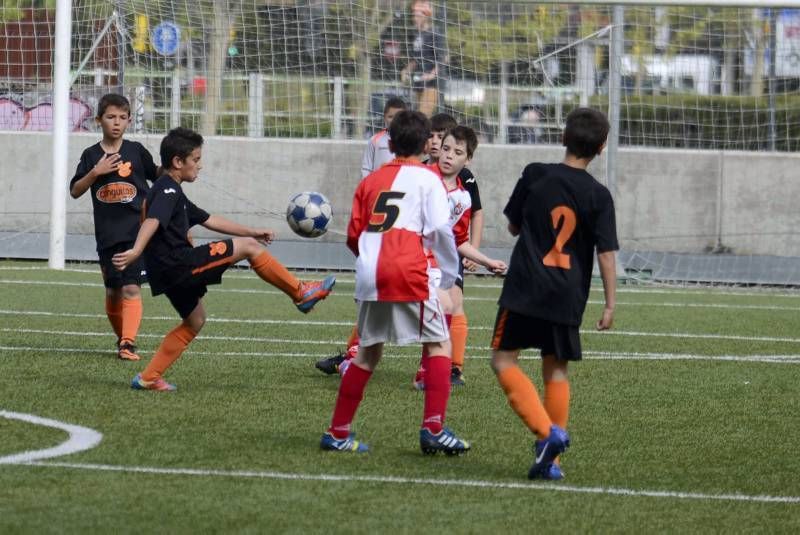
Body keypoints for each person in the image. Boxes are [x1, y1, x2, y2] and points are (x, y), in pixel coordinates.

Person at [112, 127, 335, 391]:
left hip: (168, 273)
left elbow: (210, 220)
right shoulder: (167, 190)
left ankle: (149, 377)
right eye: (196, 159)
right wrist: (137, 250)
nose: (200, 165)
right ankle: (301, 293)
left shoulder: (172, 190)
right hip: (179, 264)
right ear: (177, 162)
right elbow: (153, 220)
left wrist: (253, 230)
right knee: (249, 248)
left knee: (195, 321)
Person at [320, 110, 470, 454]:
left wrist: (373, 260)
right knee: (438, 345)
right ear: (426, 144)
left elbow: (355, 235)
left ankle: (338, 433)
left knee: (368, 353)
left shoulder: (370, 182)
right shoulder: (428, 179)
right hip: (408, 270)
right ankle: (433, 429)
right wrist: (447, 277)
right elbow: (440, 232)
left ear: (389, 142)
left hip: (370, 273)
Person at [490, 108, 618, 480]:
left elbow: (514, 226)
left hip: (525, 288)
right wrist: (610, 303)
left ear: (563, 137)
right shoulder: (599, 195)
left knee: (503, 360)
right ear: (602, 147)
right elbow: (606, 254)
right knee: (556, 370)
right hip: (567, 295)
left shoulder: (535, 174)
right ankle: (553, 463)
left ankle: (547, 435)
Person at [70, 93, 160, 361]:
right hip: (107, 236)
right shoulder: (91, 156)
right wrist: (96, 172)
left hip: (136, 235)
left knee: (131, 287)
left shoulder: (135, 151)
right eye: (110, 117)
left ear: (129, 121)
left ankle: (128, 344)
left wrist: (175, 164)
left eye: (122, 117)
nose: (116, 122)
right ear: (99, 120)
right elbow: (75, 190)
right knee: (112, 290)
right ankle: (122, 339)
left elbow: (159, 176)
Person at [413, 125, 503, 390]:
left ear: (468, 160)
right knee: (383, 310)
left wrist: (487, 261)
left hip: (435, 264)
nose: (449, 155)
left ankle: (428, 371)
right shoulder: (422, 177)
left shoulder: (463, 196)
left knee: (448, 305)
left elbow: (458, 240)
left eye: (457, 152)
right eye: (446, 148)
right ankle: (354, 356)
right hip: (408, 256)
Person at [400, 0, 447, 117]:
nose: (414, 18)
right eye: (414, 15)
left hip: (432, 84)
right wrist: (406, 70)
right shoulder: (416, 35)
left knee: (422, 118)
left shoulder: (434, 33)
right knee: (418, 117)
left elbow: (443, 57)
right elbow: (415, 59)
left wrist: (432, 74)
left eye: (417, 16)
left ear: (426, 16)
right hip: (418, 81)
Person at [361, 96, 407, 178]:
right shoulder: (375, 140)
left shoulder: (410, 139)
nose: (394, 120)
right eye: (390, 117)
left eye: (398, 117)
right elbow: (366, 168)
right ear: (384, 117)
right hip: (379, 186)